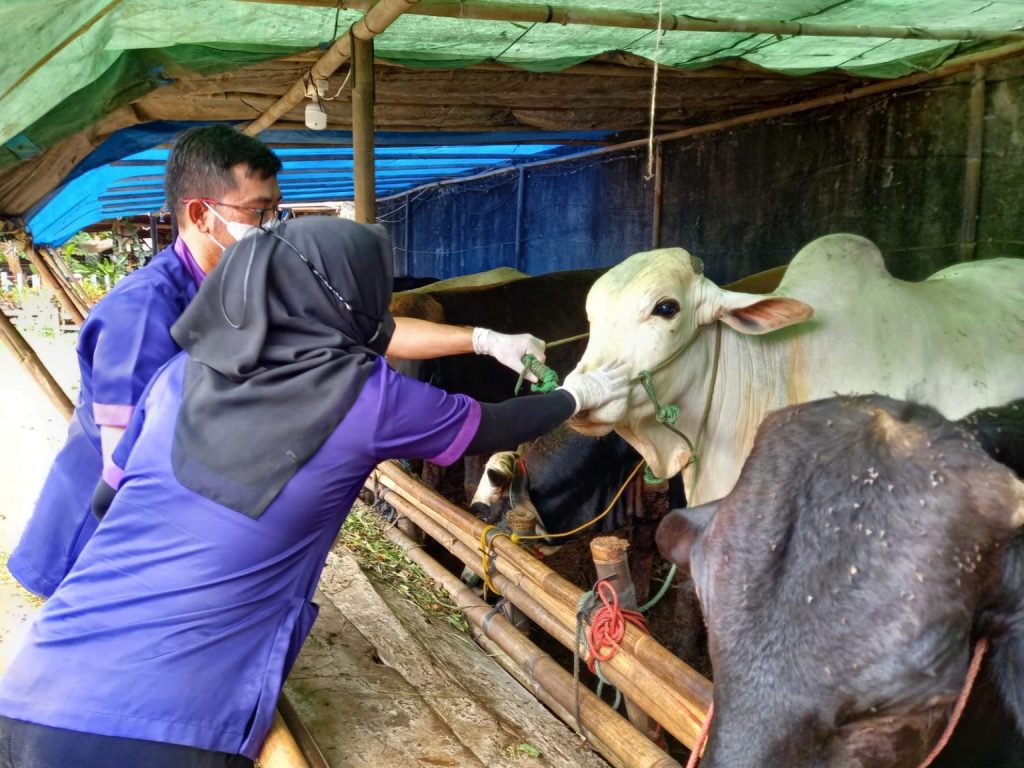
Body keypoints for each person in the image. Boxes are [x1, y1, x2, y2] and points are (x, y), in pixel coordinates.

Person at [0, 217, 628, 768]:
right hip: (165, 720)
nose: (377, 311)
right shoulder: (363, 396)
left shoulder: (176, 374)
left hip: (36, 680)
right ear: (342, 300)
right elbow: (489, 426)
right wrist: (577, 396)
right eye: (371, 294)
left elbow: (108, 504)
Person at [7, 125, 545, 597]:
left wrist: (481, 338)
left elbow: (374, 328)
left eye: (276, 210)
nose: (272, 224)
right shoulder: (142, 314)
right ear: (201, 214)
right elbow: (122, 475)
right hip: (101, 548)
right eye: (258, 212)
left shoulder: (256, 280)